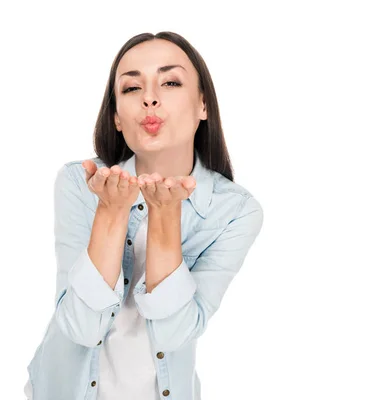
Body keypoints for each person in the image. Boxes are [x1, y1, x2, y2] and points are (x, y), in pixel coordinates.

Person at [24, 31, 264, 400]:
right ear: (117, 117)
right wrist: (111, 211)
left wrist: (165, 217)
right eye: (132, 88)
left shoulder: (235, 210)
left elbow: (177, 331)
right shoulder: (80, 183)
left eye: (169, 82)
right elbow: (80, 327)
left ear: (203, 105)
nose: (149, 98)